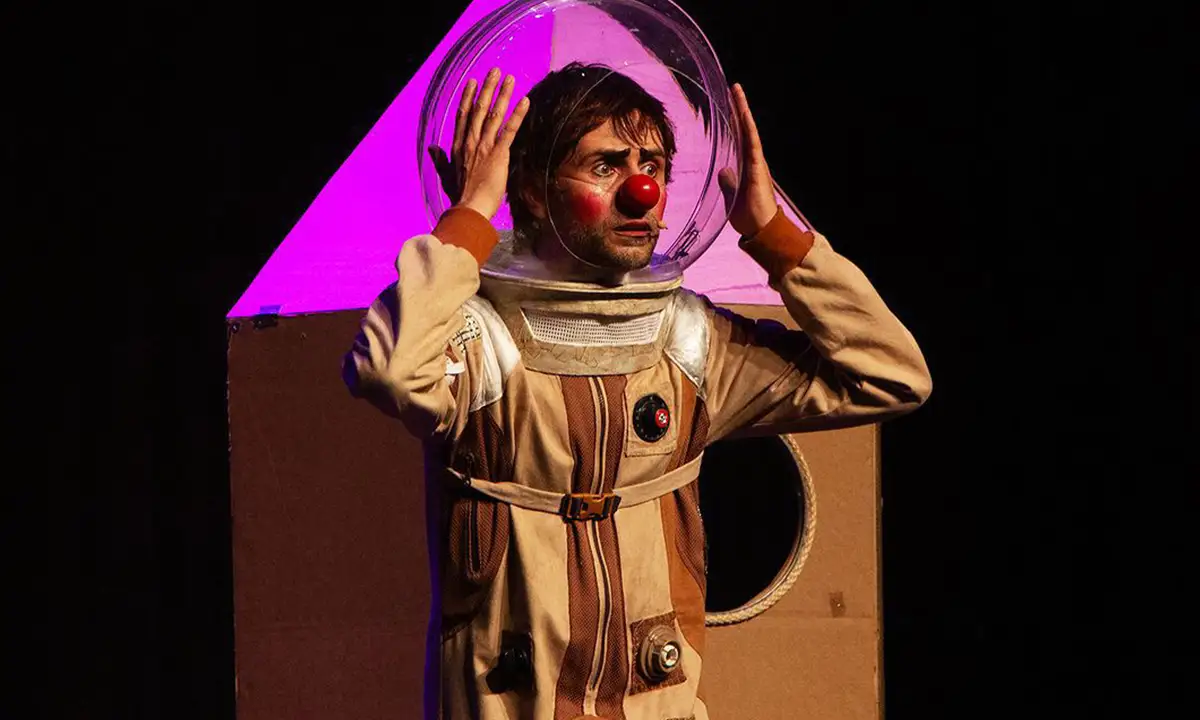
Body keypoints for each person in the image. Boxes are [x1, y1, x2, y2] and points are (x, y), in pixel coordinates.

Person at [343, 62, 931, 720]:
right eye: (605, 166)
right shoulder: (479, 345)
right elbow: (389, 369)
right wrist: (472, 217)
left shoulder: (687, 344)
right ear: (532, 191)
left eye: (652, 164)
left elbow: (892, 375)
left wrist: (773, 234)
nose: (642, 190)